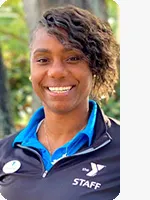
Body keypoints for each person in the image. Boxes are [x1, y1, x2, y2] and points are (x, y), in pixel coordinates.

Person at [0, 5, 120, 200]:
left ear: (95, 67)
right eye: (43, 60)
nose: (56, 71)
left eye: (73, 58)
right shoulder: (4, 151)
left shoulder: (130, 151)